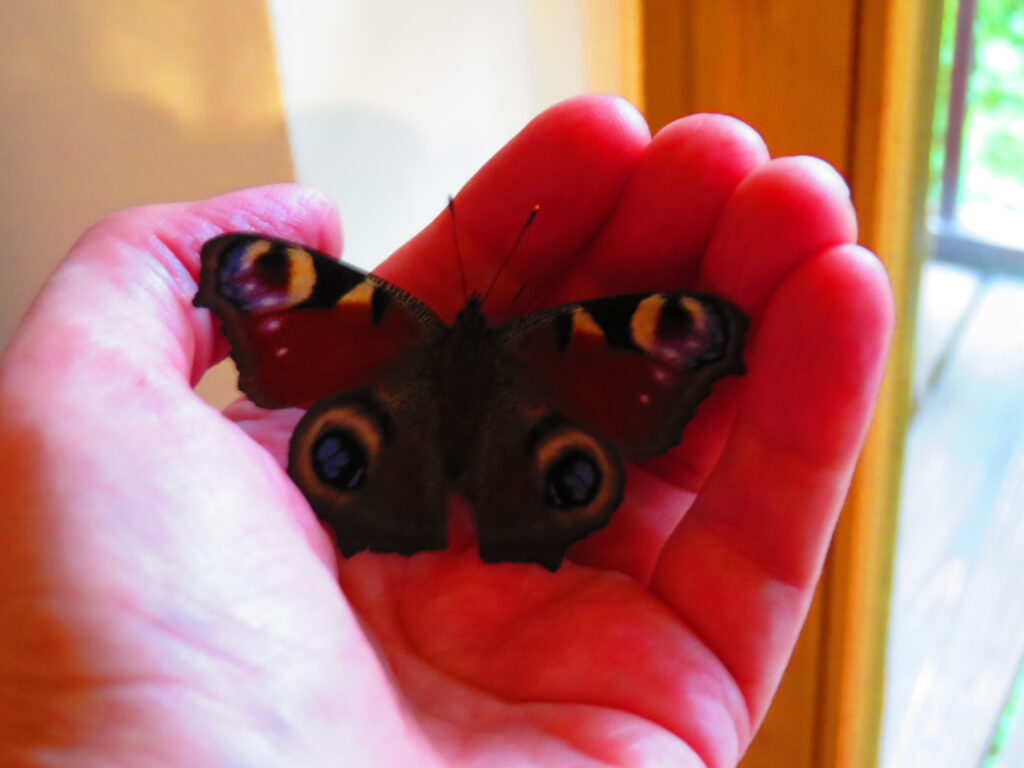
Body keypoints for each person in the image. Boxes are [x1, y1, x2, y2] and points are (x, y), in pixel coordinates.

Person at [0, 95, 891, 767]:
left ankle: (407, 492)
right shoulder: (556, 345)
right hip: (527, 429)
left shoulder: (383, 324)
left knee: (361, 442)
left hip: (386, 425)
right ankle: (517, 502)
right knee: (554, 449)